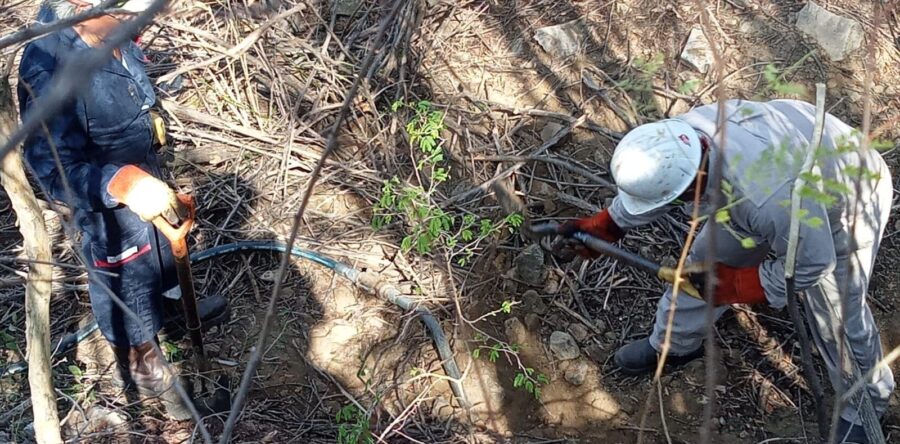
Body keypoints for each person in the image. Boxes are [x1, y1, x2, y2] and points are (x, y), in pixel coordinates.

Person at [560, 99, 894, 443]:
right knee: (701, 266)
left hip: (847, 195)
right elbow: (665, 186)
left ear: (695, 182)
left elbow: (813, 263)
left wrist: (738, 284)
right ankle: (675, 345)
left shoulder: (771, 195)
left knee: (837, 315)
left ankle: (865, 404)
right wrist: (611, 223)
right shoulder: (679, 140)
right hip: (777, 172)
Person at [18, 0, 229, 420]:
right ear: (81, 4)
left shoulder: (113, 31)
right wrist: (118, 183)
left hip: (146, 177)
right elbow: (50, 168)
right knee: (123, 277)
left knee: (163, 257)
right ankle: (142, 363)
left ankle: (171, 314)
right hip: (103, 207)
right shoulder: (48, 67)